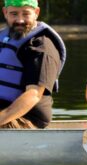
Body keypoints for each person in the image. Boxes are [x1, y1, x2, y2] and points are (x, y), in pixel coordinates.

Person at [0, 0, 66, 128]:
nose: (20, 20)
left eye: (26, 14)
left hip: (24, 119)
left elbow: (34, 95)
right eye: (14, 14)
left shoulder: (42, 47)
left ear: (36, 13)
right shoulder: (4, 39)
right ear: (5, 13)